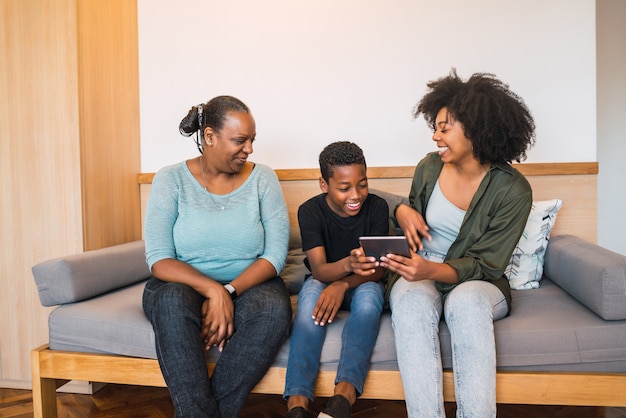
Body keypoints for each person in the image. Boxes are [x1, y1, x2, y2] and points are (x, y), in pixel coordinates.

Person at [381, 69, 536, 418]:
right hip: (421, 271)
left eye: (444, 128)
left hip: (478, 281)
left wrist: (431, 269)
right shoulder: (428, 168)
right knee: (407, 298)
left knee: (465, 303)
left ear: (476, 128)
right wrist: (404, 211)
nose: (435, 136)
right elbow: (408, 224)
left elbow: (488, 264)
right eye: (434, 128)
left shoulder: (513, 190)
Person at [142, 95, 292, 418]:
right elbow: (158, 258)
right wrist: (212, 290)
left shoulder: (263, 179)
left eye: (252, 140)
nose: (249, 148)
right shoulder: (171, 179)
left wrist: (228, 291)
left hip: (249, 284)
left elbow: (275, 256)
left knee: (274, 309)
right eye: (240, 140)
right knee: (169, 302)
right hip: (179, 284)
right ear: (209, 136)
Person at [284, 141, 389, 418]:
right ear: (324, 184)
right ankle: (297, 403)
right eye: (344, 188)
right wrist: (345, 266)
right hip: (324, 277)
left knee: (368, 303)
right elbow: (319, 270)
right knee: (309, 303)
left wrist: (342, 284)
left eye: (362, 184)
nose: (356, 195)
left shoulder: (377, 208)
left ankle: (343, 397)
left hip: (363, 281)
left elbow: (378, 270)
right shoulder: (310, 211)